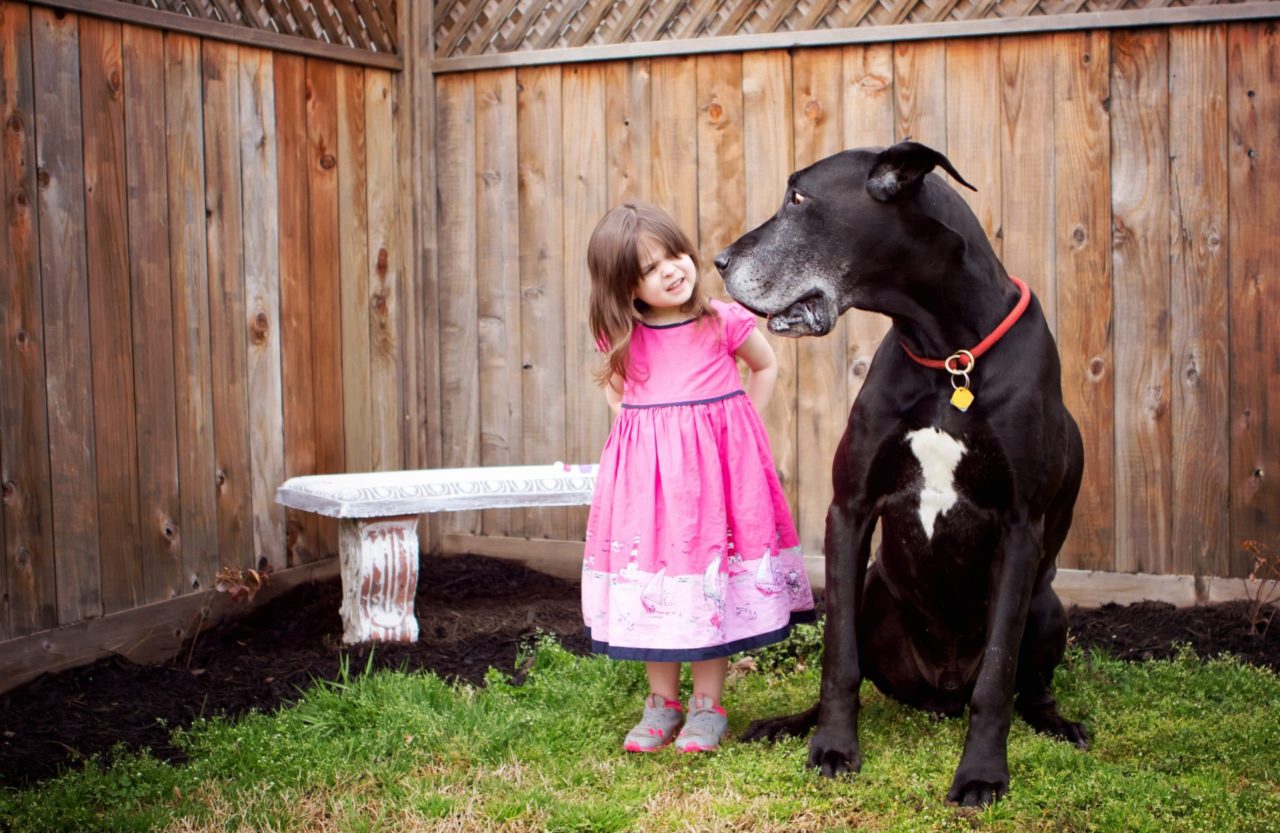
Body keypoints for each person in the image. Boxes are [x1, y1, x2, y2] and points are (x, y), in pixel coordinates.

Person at [582, 201, 816, 754]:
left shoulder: (722, 320)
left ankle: (708, 707)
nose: (670, 269)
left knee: (707, 579)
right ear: (626, 287)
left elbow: (766, 365)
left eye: (674, 253)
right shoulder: (623, 335)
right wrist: (644, 439)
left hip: (717, 483)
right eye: (648, 268)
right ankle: (662, 704)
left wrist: (741, 428)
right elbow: (618, 393)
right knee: (660, 583)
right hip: (651, 491)